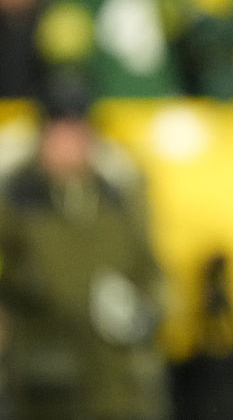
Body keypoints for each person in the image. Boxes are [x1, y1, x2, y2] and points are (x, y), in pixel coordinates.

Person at [0, 76, 170, 420]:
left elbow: (150, 272)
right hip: (46, 381)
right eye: (58, 131)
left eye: (77, 131)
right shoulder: (18, 201)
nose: (68, 143)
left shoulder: (117, 198)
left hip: (119, 382)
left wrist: (143, 311)